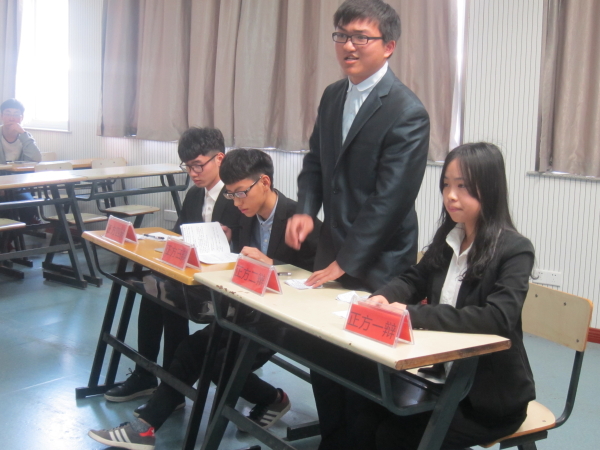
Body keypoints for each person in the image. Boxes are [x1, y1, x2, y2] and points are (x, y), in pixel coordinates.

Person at [89, 149, 321, 450]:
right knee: (194, 349)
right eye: (231, 195)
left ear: (264, 182)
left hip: (285, 319)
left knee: (219, 362)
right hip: (247, 311)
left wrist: (273, 266)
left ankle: (271, 399)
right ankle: (144, 428)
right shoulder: (244, 215)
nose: (237, 203)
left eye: (241, 193)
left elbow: (317, 283)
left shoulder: (299, 219)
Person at [283, 1, 429, 448]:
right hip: (334, 249)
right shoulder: (333, 95)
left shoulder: (407, 111)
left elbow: (391, 200)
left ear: (388, 46)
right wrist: (305, 209)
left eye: (361, 37)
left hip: (380, 259)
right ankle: (334, 438)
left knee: (364, 366)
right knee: (324, 355)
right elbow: (315, 162)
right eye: (342, 35)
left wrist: (347, 260)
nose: (348, 46)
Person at [361, 142, 536, 449]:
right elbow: (414, 278)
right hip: (444, 378)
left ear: (489, 188)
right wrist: (382, 298)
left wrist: (412, 314)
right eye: (446, 185)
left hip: (489, 398)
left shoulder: (515, 250)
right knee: (370, 408)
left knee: (395, 436)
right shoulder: (450, 237)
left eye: (462, 186)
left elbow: (497, 318)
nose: (450, 195)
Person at [103, 127, 243, 403]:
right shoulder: (194, 195)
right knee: (154, 291)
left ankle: (171, 384)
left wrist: (229, 241)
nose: (193, 173)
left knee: (168, 296)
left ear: (220, 159)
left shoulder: (237, 197)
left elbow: (248, 247)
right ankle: (147, 374)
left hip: (222, 286)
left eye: (198, 165)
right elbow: (180, 236)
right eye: (187, 167)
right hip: (194, 277)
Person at [0, 98, 42, 224]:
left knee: (28, 203)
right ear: (1, 116)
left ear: (21, 118)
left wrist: (23, 134)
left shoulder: (25, 136)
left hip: (18, 183)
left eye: (16, 115)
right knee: (5, 205)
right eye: (8, 114)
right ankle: (8, 235)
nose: (12, 118)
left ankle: (24, 227)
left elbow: (36, 159)